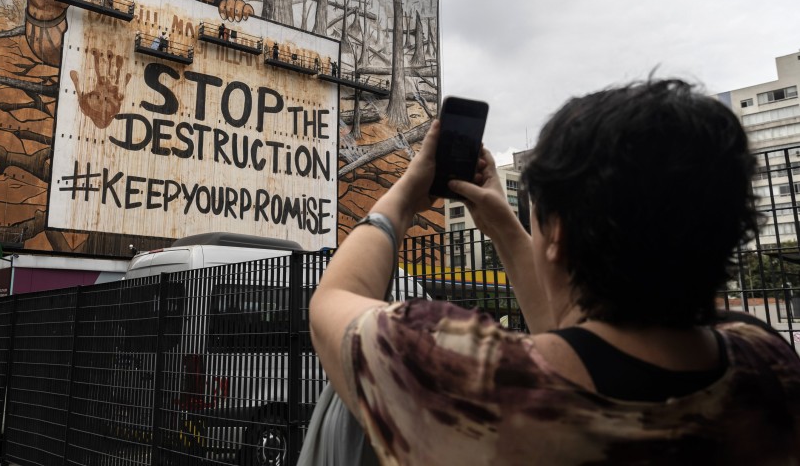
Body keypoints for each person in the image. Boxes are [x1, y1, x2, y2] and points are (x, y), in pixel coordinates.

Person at [310, 79, 800, 465]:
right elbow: (585, 343)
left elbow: (332, 302)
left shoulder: (477, 384)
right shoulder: (768, 367)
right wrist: (506, 227)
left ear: (558, 231)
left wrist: (400, 199)